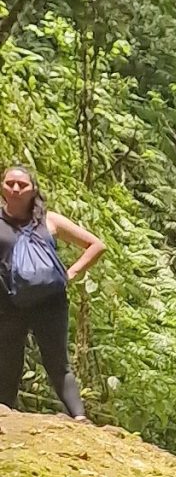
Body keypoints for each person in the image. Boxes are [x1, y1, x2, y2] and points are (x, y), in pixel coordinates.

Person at [1, 165, 103, 421]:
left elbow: (96, 245)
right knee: (8, 361)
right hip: (9, 302)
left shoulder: (50, 220)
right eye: (9, 183)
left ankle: (79, 418)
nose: (14, 188)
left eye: (21, 184)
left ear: (33, 189)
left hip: (50, 302)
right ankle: (6, 417)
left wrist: (71, 273)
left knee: (58, 362)